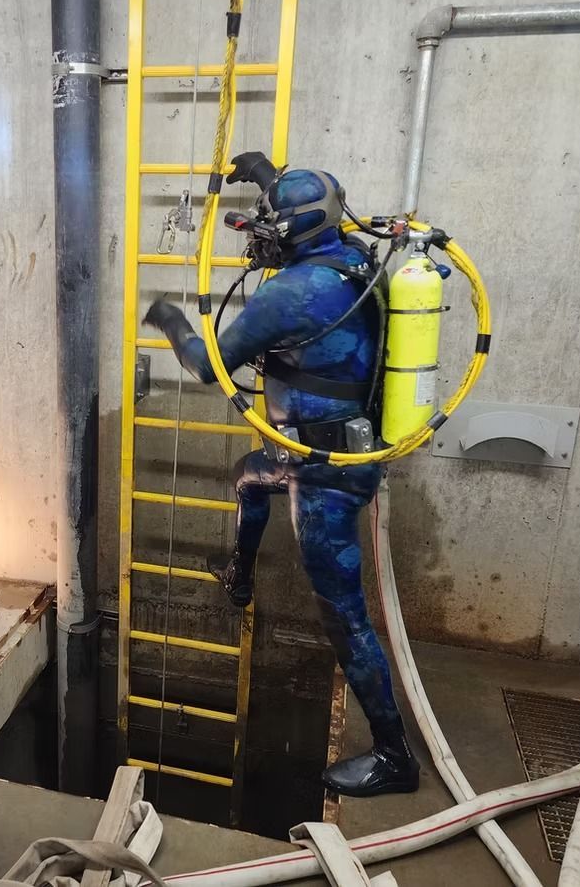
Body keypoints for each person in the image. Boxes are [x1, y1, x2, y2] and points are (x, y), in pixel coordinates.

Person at [142, 153, 420, 798]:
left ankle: (394, 758)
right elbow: (303, 213)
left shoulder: (290, 294)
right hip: (329, 449)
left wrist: (170, 318)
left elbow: (208, 366)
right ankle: (240, 574)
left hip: (324, 476)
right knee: (247, 476)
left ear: (296, 231)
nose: (261, 239)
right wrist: (270, 177)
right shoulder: (353, 258)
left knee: (344, 617)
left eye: (270, 228)